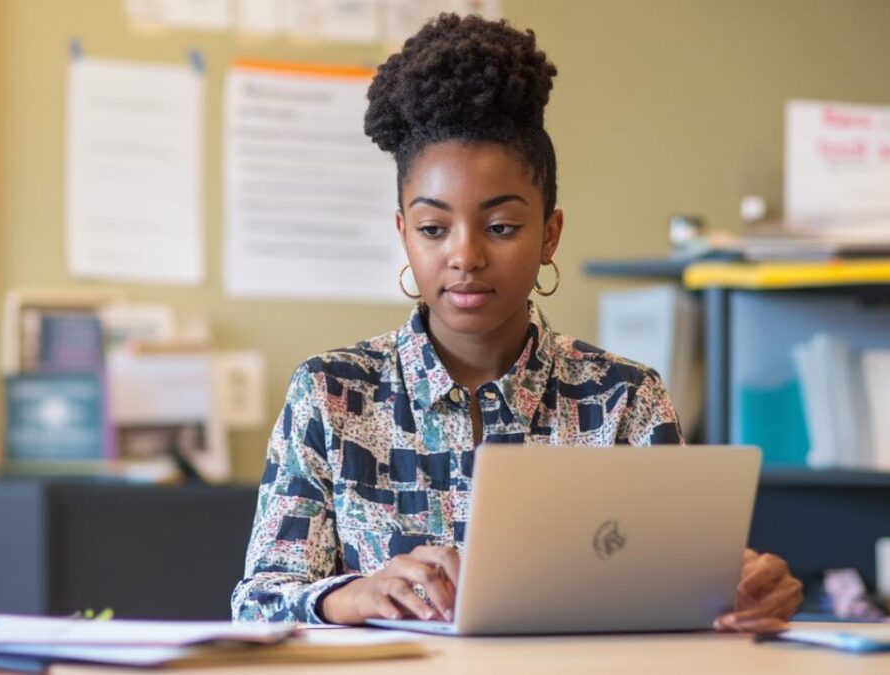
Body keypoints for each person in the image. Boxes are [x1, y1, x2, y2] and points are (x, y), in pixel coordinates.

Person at [231, 13, 802, 633]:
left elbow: (688, 594)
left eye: (501, 227)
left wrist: (741, 593)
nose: (466, 256)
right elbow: (257, 601)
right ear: (404, 235)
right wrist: (349, 596)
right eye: (432, 228)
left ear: (549, 234)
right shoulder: (330, 393)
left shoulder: (624, 400)